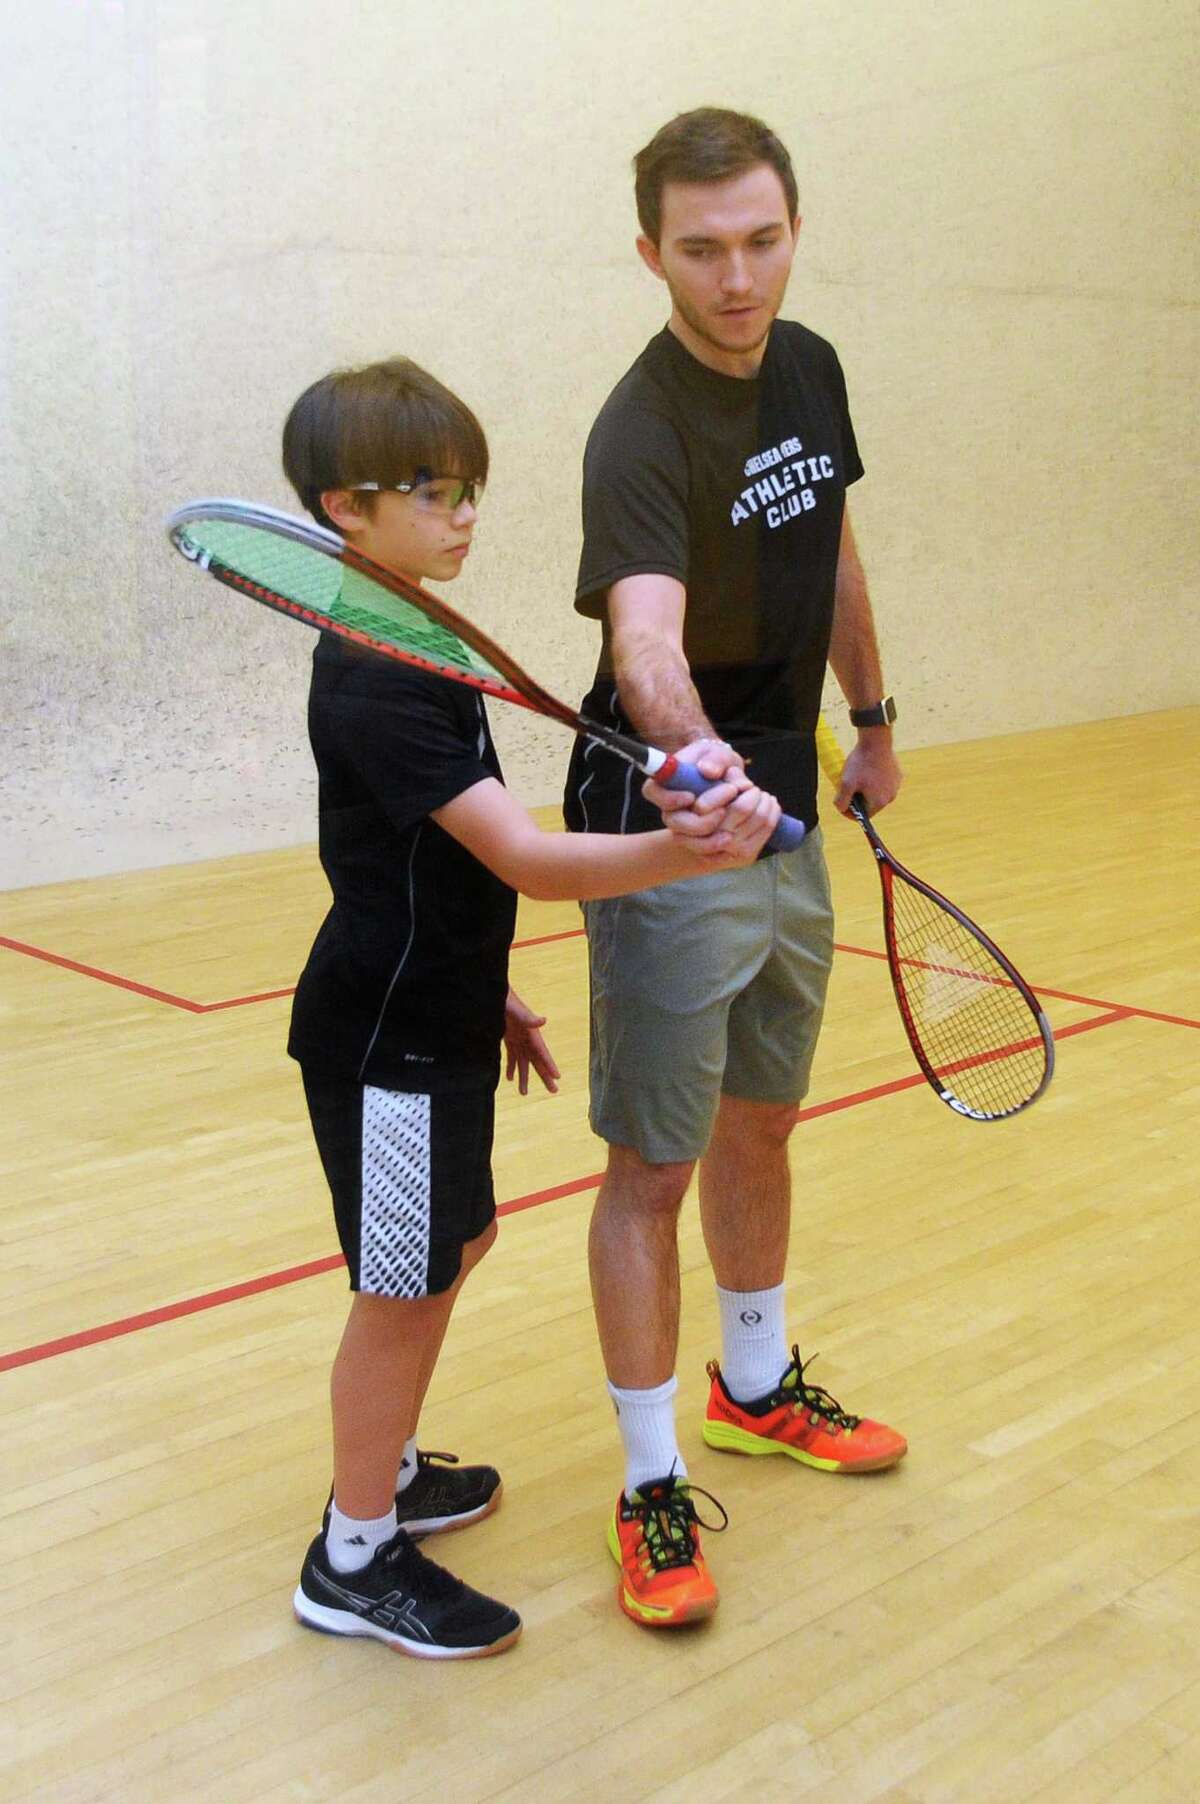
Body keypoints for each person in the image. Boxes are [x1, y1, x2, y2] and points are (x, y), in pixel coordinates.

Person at [279, 356, 783, 1661]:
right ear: (345, 508)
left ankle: (386, 1471)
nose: (463, 515)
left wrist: (486, 983)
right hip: (386, 1040)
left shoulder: (419, 637)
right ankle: (352, 1554)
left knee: (455, 1249)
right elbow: (526, 858)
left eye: (470, 489)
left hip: (435, 1010)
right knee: (405, 1289)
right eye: (429, 492)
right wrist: (686, 852)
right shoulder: (378, 674)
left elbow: (421, 858)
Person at [562, 108, 908, 1630]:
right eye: (701, 250)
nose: (737, 277)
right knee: (654, 1164)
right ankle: (649, 1481)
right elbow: (645, 638)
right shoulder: (638, 430)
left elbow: (833, 551)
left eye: (762, 241)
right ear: (652, 253)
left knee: (762, 1122)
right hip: (678, 817)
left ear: (793, 230)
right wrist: (701, 761)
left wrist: (871, 720)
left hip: (788, 812)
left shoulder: (812, 366)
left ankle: (754, 1390)